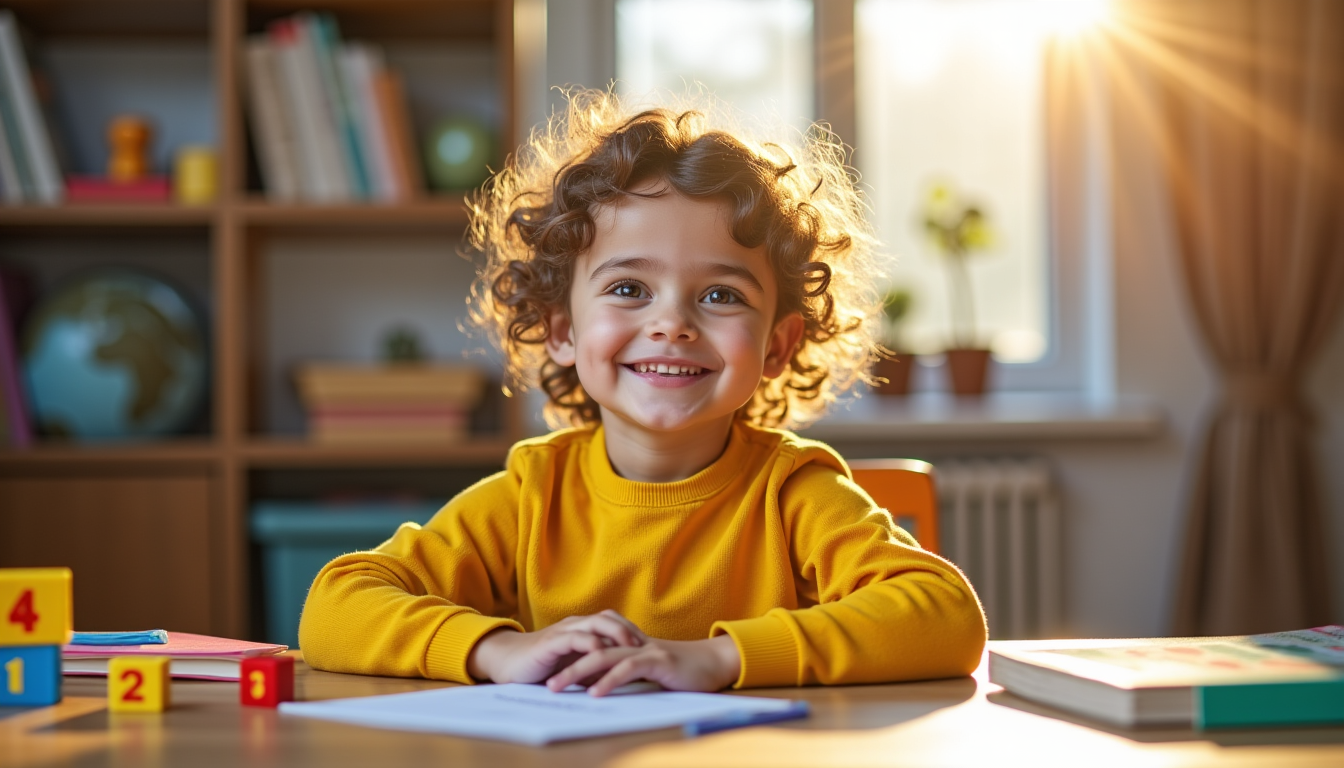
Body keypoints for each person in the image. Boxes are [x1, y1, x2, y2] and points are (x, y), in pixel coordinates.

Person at [299, 90, 986, 696]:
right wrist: (497, 651)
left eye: (721, 295)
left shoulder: (792, 494)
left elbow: (946, 614)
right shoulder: (532, 495)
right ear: (562, 331)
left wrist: (718, 659)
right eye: (629, 288)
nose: (672, 324)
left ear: (777, 346)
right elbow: (336, 604)